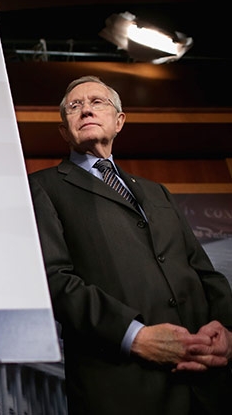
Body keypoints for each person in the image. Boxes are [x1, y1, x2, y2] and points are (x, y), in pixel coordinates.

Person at [28, 75, 232, 415]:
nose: (86, 110)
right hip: (122, 386)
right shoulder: (42, 187)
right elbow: (53, 280)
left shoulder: (157, 191)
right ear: (65, 131)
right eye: (74, 107)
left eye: (97, 102)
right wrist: (134, 336)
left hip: (208, 382)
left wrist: (227, 328)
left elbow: (204, 271)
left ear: (119, 121)